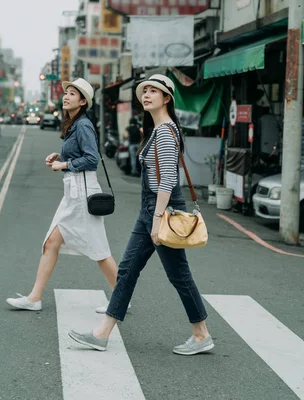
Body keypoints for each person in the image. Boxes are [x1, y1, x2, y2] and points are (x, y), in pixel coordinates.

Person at [68, 74, 213, 356]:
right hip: (151, 210)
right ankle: (102, 333)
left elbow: (168, 179)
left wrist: (157, 220)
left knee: (178, 274)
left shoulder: (166, 131)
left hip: (161, 209)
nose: (146, 95)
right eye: (144, 91)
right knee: (127, 270)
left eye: (153, 91)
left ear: (167, 98)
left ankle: (201, 333)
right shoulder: (158, 129)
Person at [6, 78, 120, 313]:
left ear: (82, 101)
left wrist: (64, 165)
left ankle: (121, 298)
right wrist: (59, 157)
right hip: (73, 192)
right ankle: (34, 297)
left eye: (72, 94)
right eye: (65, 93)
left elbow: (92, 160)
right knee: (51, 243)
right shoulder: (74, 124)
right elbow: (80, 153)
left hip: (82, 193)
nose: (65, 97)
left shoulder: (83, 125)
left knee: (99, 251)